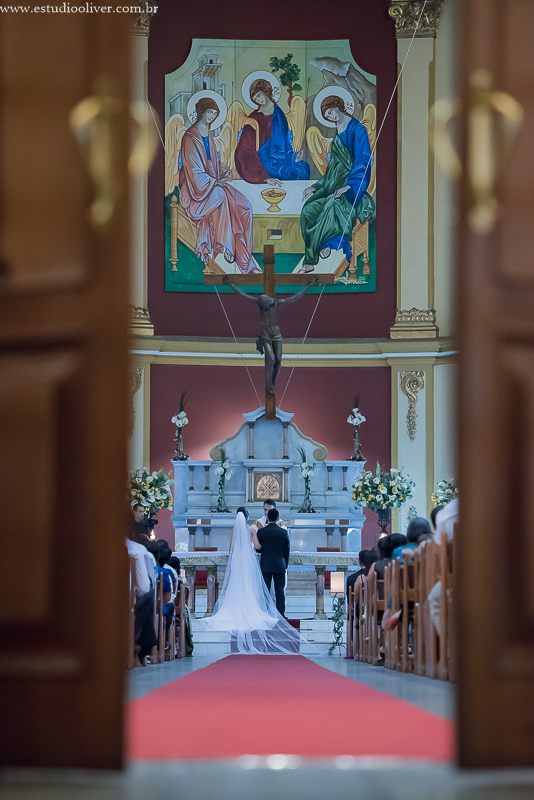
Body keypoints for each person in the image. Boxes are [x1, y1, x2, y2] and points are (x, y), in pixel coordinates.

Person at [199, 510, 308, 655]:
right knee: (249, 586)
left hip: (237, 560)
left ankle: (235, 610)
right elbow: (258, 547)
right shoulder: (251, 530)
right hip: (250, 562)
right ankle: (261, 611)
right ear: (247, 517)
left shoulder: (234, 530)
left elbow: (231, 548)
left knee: (236, 585)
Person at [179, 96, 260, 274]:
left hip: (212, 186)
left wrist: (221, 173)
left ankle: (246, 261)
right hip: (195, 194)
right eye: (209, 112)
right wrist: (215, 180)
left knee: (244, 206)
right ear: (201, 112)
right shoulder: (190, 138)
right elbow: (195, 173)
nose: (212, 116)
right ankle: (227, 248)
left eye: (215, 113)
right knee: (221, 196)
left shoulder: (210, 137)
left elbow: (211, 166)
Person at [299, 95, 375, 273]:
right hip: (331, 187)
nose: (331, 117)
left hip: (351, 190)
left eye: (331, 112)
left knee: (331, 206)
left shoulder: (358, 130)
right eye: (327, 116)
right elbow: (333, 167)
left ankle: (314, 257)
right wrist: (316, 187)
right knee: (308, 210)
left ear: (338, 106)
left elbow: (363, 161)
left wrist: (350, 186)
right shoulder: (337, 131)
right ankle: (320, 246)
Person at [235, 78, 310, 184]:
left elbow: (285, 143)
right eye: (255, 99)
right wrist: (263, 176)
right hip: (262, 163)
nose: (258, 100)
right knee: (280, 174)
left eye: (258, 95)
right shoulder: (253, 118)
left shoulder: (279, 114)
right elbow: (245, 150)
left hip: (282, 159)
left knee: (302, 169)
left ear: (265, 92)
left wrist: (293, 156)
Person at [251, 507, 290, 617]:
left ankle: (264, 613)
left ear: (267, 518)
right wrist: (285, 565)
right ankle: (281, 614)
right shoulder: (283, 532)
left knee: (265, 591)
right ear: (278, 519)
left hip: (266, 564)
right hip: (279, 564)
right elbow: (286, 551)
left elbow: (258, 548)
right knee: (279, 591)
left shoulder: (262, 532)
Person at [125, 532, 157, 665]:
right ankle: (136, 642)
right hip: (128, 599)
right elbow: (144, 587)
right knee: (149, 594)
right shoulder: (138, 550)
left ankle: (138, 645)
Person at [428, 498, 459, 634]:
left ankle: (451, 649)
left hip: (463, 579)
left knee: (435, 597)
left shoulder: (450, 512)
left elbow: (440, 550)